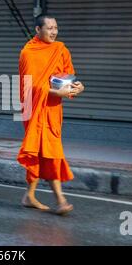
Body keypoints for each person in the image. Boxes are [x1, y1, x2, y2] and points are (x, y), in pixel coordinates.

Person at [17, 15, 85, 215]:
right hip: (35, 108)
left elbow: (68, 75)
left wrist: (77, 87)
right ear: (38, 30)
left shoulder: (60, 49)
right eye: (49, 28)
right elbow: (29, 87)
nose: (54, 32)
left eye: (56, 27)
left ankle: (29, 195)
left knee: (42, 152)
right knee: (49, 152)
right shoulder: (28, 53)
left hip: (53, 110)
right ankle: (61, 199)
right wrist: (57, 92)